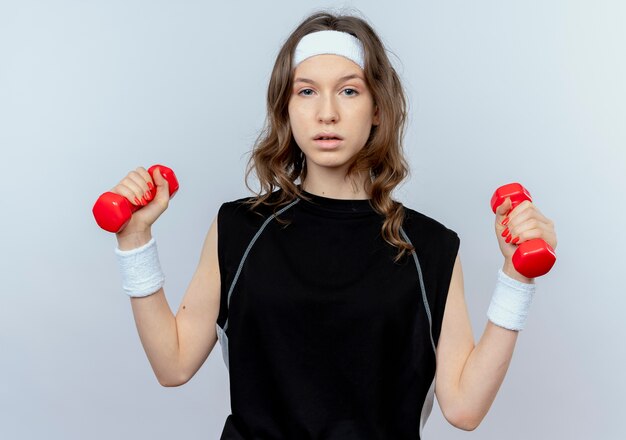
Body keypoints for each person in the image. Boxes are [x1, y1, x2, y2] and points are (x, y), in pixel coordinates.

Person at [108, 11, 557, 439]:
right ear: (286, 109)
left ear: (378, 108)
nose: (327, 113)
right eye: (306, 92)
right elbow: (173, 364)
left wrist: (517, 279)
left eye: (348, 91)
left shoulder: (429, 247)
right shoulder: (240, 228)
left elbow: (463, 408)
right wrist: (134, 240)